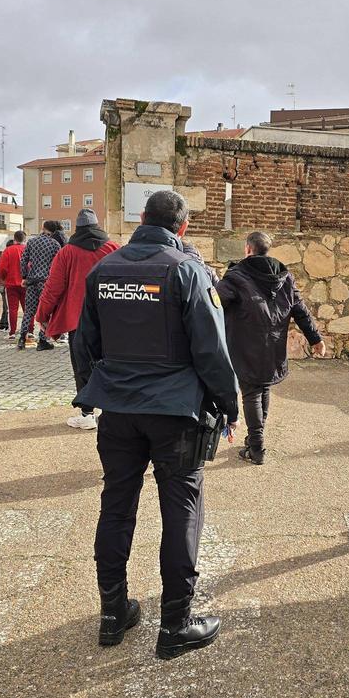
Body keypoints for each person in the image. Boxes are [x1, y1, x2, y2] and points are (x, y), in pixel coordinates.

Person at [74, 190, 238, 659]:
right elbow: (211, 347)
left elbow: (83, 340)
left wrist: (91, 389)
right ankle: (175, 624)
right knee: (182, 509)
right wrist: (228, 404)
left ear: (141, 219)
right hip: (175, 413)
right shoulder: (187, 270)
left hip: (119, 411)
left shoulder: (103, 269)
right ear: (181, 228)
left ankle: (112, 613)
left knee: (117, 504)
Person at [215, 230, 324, 465]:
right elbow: (300, 310)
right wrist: (316, 339)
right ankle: (256, 441)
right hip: (273, 344)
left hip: (245, 345)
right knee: (262, 389)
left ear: (248, 249)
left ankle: (257, 447)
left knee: (252, 393)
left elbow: (214, 303)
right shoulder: (285, 278)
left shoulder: (237, 276)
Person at [36, 208, 119, 430]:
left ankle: (87, 413)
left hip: (78, 319)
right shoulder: (113, 249)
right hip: (109, 319)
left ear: (78, 228)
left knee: (82, 366)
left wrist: (42, 315)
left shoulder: (67, 252)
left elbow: (53, 288)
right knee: (110, 364)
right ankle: (112, 412)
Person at [18, 220, 64, 350]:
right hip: (46, 282)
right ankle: (42, 340)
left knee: (29, 311)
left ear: (43, 228)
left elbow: (24, 260)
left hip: (32, 281)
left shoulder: (31, 242)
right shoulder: (55, 245)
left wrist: (24, 276)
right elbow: (58, 266)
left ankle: (22, 338)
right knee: (46, 311)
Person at [0, 230, 27, 338]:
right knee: (28, 309)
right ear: (25, 239)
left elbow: (2, 267)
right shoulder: (27, 249)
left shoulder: (8, 251)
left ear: (14, 239)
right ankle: (30, 331)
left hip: (11, 283)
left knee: (12, 309)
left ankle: (12, 332)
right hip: (26, 284)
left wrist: (3, 279)